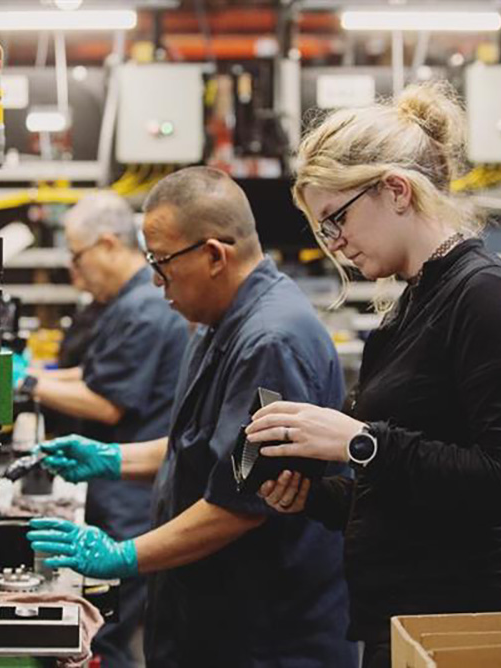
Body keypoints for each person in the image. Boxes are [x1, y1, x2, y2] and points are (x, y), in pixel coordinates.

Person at [244, 81, 501, 668]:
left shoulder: (486, 298)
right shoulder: (410, 303)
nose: (335, 245)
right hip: (404, 618)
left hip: (469, 624)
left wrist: (358, 441)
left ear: (396, 190)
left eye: (336, 220)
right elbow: (404, 490)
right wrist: (312, 497)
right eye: (320, 230)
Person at [28, 167, 356, 668]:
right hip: (211, 616)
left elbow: (242, 500)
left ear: (213, 256)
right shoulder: (218, 322)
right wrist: (112, 458)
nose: (156, 282)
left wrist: (124, 555)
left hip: (265, 636)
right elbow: (209, 446)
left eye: (162, 264)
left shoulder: (271, 343)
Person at [18, 191, 188, 667]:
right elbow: (94, 376)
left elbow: (107, 403)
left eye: (78, 255)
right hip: (122, 488)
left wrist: (27, 383)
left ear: (109, 244)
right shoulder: (125, 303)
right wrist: (35, 378)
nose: (76, 270)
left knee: (107, 638)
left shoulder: (143, 309)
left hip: (133, 498)